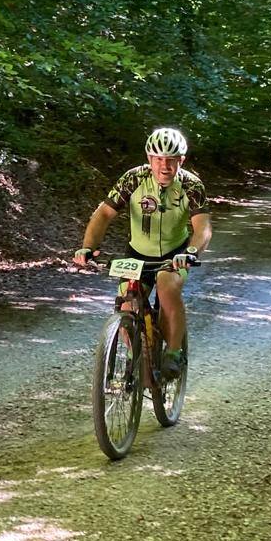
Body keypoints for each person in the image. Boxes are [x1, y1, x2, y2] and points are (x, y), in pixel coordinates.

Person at [73, 127, 212, 379]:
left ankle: (173, 351)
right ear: (149, 159)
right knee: (127, 301)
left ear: (182, 160)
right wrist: (88, 246)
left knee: (167, 286)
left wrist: (191, 251)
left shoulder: (192, 185)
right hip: (137, 252)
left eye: (171, 160)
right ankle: (136, 351)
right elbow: (104, 213)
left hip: (176, 253)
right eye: (158, 159)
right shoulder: (133, 179)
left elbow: (202, 227)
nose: (165, 166)